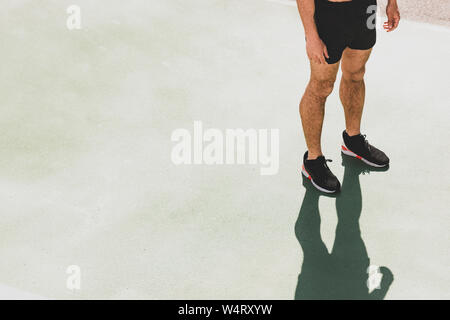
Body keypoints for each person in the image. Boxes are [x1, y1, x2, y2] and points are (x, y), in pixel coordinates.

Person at [296, 0, 400, 193]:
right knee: (321, 86)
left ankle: (353, 140)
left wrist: (392, 3)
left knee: (356, 74)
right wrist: (311, 35)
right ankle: (313, 159)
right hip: (328, 14)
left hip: (363, 9)